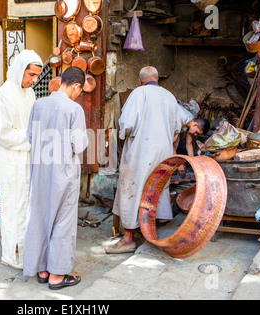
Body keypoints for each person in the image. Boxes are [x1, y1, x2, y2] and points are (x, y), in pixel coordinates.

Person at [23, 66, 88, 290]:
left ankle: (41, 269)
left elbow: (30, 137)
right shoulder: (74, 109)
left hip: (40, 172)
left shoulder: (38, 104)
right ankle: (57, 276)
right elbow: (78, 145)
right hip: (64, 174)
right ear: (77, 86)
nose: (79, 94)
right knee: (63, 222)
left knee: (40, 216)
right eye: (80, 90)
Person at [105, 66, 181, 254]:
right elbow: (176, 128)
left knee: (134, 188)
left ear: (140, 80)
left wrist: (124, 135)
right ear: (157, 79)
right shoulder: (169, 96)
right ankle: (151, 234)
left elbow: (127, 124)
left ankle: (128, 239)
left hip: (142, 151)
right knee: (155, 190)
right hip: (163, 152)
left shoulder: (139, 93)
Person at [0, 50, 43, 270]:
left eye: (36, 76)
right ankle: (14, 256)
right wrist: (32, 137)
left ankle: (27, 251)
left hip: (27, 159)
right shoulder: (3, 95)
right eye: (31, 74)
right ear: (20, 70)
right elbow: (3, 135)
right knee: (14, 207)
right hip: (12, 162)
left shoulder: (29, 93)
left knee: (27, 206)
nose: (34, 80)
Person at [173, 106, 210, 177]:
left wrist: (194, 163)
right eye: (196, 132)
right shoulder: (180, 120)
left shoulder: (191, 121)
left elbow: (189, 144)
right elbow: (169, 144)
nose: (195, 134)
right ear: (195, 125)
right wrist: (178, 164)